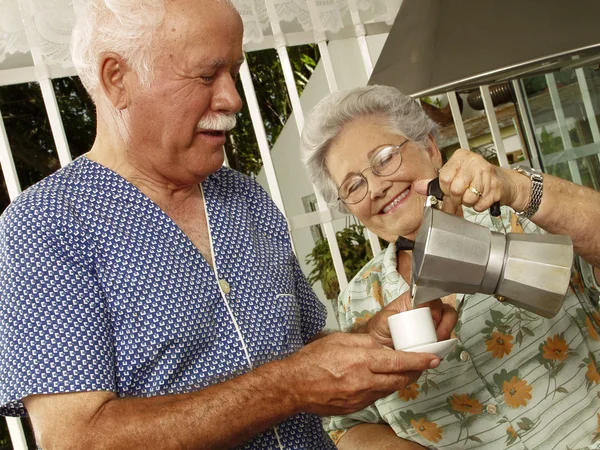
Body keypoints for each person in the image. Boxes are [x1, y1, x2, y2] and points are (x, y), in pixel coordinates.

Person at [0, 3, 452, 449]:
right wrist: (288, 388)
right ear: (116, 78)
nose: (232, 98)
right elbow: (76, 439)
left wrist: (367, 340)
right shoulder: (44, 225)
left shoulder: (245, 197)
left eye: (233, 71)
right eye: (205, 75)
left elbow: (302, 353)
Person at [301, 84, 600, 449]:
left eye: (383, 159)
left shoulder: (517, 219)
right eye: (354, 186)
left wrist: (518, 188)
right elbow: (350, 425)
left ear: (429, 147)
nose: (376, 187)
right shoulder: (359, 299)